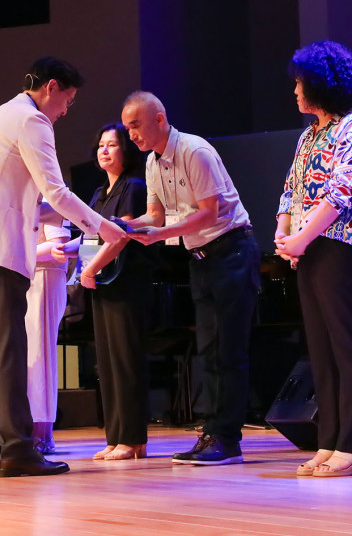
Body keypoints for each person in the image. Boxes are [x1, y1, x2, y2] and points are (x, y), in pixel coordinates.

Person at [0, 56, 126, 478]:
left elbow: (25, 198)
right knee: (8, 347)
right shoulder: (32, 120)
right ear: (52, 87)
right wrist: (104, 227)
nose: (65, 111)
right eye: (68, 101)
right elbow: (56, 192)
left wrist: (76, 218)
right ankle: (18, 449)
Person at [123, 91, 260, 465]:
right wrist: (123, 226)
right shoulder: (152, 162)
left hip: (231, 249)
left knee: (228, 351)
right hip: (200, 258)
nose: (131, 135)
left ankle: (226, 439)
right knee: (209, 351)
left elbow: (208, 213)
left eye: (136, 125)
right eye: (128, 128)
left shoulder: (193, 151)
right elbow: (155, 216)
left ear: (159, 119)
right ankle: (213, 433)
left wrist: (160, 234)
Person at [274, 41, 352, 477]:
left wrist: (301, 237)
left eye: (301, 83)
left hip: (340, 247)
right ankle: (329, 441)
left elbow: (341, 192)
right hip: (308, 248)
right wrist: (284, 232)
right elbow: (290, 189)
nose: (295, 91)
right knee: (320, 350)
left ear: (321, 83)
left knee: (347, 349)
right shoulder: (308, 135)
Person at [79, 123, 152, 461]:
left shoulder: (133, 187)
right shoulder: (99, 193)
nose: (104, 150)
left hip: (125, 283)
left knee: (125, 360)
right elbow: (90, 236)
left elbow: (120, 237)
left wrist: (89, 269)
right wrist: (73, 254)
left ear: (126, 150)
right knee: (107, 363)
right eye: (101, 145)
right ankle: (116, 436)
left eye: (112, 144)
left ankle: (133, 438)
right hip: (101, 282)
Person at [26, 212, 71, 454]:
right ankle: (27, 429)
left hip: (44, 277)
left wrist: (14, 255)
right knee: (28, 359)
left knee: (40, 356)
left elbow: (58, 244)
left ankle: (42, 432)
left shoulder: (51, 197)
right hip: (23, 277)